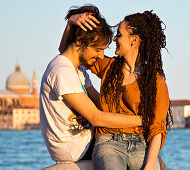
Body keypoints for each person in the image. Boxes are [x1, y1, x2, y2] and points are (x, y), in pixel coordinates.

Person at [60, 10, 173, 170]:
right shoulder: (108, 66)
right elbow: (68, 54)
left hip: (141, 145)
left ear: (134, 40)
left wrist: (148, 166)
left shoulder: (155, 81)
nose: (114, 39)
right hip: (108, 144)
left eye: (119, 35)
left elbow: (157, 129)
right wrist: (71, 23)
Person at [39, 5, 143, 163]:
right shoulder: (61, 71)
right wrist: (143, 120)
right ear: (80, 41)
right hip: (75, 149)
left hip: (86, 140)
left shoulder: (78, 70)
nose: (102, 56)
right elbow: (96, 117)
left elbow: (100, 102)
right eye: (98, 49)